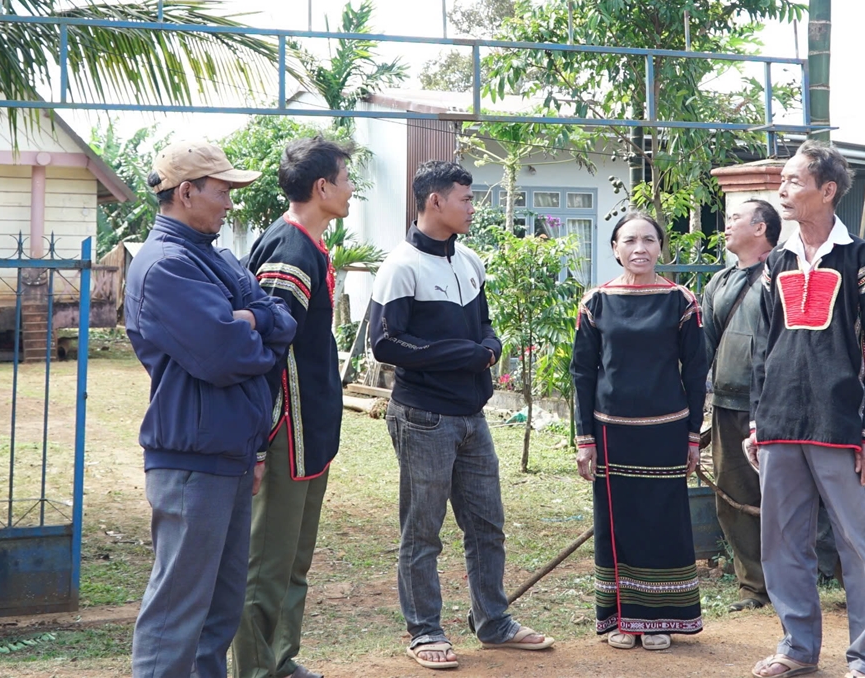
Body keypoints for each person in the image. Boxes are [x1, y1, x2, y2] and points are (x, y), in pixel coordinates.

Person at [366, 160, 556, 670]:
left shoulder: (469, 260)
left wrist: (490, 347)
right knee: (422, 531)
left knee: (487, 526)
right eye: (466, 199)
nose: (473, 208)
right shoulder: (401, 265)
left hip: (473, 416)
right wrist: (468, 355)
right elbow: (385, 342)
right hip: (423, 417)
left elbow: (485, 325)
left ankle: (493, 622)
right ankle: (425, 631)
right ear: (436, 202)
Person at [126, 141, 298, 678]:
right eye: (221, 191)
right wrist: (254, 329)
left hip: (228, 453)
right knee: (178, 613)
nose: (229, 203)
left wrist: (251, 321)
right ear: (186, 192)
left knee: (218, 614)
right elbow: (224, 354)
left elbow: (283, 320)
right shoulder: (167, 265)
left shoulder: (214, 257)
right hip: (192, 461)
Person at [744, 140, 865, 678]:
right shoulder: (776, 262)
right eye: (782, 180)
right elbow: (763, 347)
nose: (783, 189)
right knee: (781, 544)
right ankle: (797, 648)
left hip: (842, 427)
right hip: (779, 425)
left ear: (828, 190)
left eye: (794, 180)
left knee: (857, 545)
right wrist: (757, 420)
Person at [234, 137, 355, 678]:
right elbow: (265, 351)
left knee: (293, 559)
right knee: (267, 561)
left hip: (310, 430)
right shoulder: (289, 251)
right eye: (346, 180)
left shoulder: (308, 244)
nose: (351, 189)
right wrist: (261, 442)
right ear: (322, 187)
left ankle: (280, 659)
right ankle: (256, 668)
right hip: (286, 429)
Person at [572, 211, 706, 651]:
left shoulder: (681, 301)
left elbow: (696, 372)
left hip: (666, 432)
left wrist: (692, 436)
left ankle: (659, 618)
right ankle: (621, 619)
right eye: (629, 240)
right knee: (618, 524)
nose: (640, 249)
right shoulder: (596, 302)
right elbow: (582, 374)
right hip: (612, 434)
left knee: (662, 522)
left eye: (649, 240)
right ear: (615, 248)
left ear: (661, 247)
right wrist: (585, 439)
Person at [701, 198, 781, 612]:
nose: (726, 225)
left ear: (761, 228)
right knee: (733, 495)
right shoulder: (719, 282)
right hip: (728, 405)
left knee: (790, 493)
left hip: (776, 407)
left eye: (735, 219)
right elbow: (704, 348)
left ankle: (806, 578)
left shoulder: (783, 274)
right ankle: (754, 586)